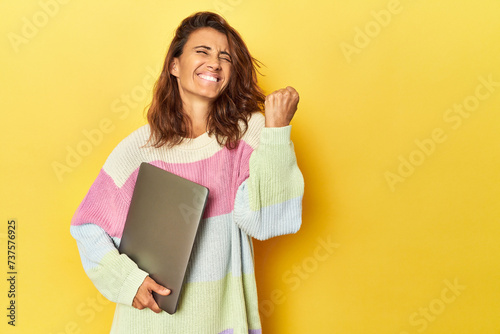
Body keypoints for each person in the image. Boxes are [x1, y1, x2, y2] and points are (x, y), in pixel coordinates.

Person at [70, 11, 304, 334]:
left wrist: (278, 132)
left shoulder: (249, 135)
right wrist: (127, 281)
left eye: (225, 57)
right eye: (202, 52)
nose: (215, 63)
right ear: (174, 65)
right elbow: (87, 228)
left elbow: (268, 219)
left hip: (222, 324)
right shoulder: (139, 150)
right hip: (148, 325)